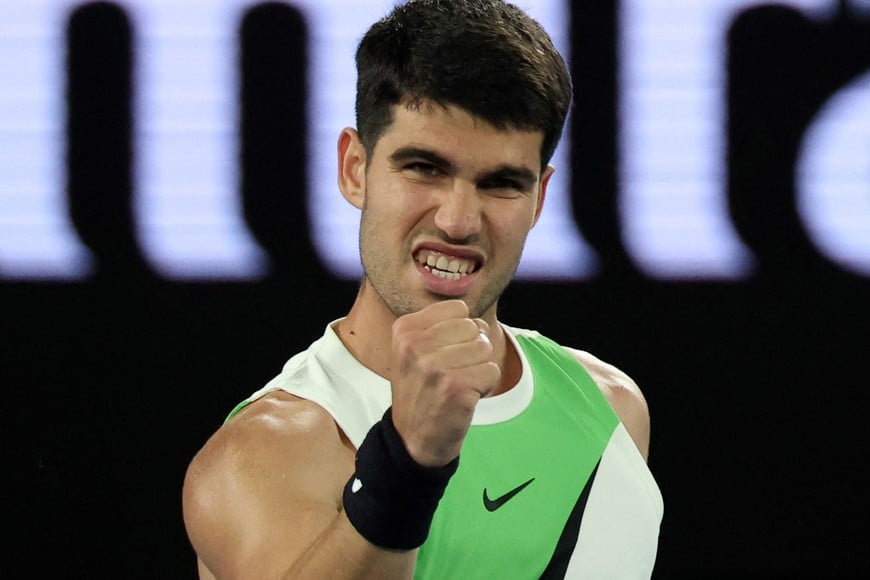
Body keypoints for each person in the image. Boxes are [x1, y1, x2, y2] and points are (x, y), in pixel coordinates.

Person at [182, 0, 663, 578]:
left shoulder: (613, 408)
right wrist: (405, 466)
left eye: (502, 183)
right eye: (424, 168)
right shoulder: (263, 456)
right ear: (355, 169)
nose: (459, 220)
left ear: (539, 198)